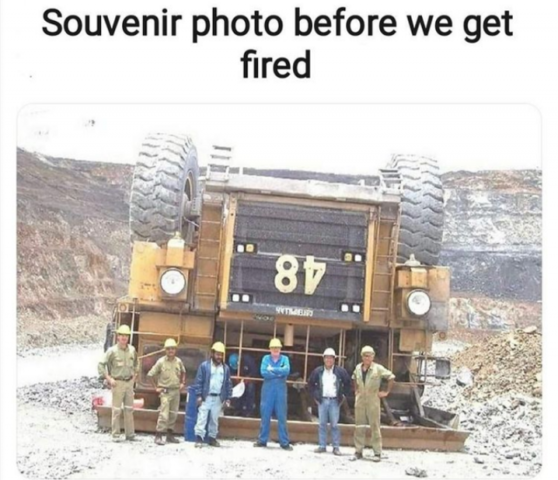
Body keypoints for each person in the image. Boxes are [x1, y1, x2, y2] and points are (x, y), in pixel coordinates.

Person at [351, 345, 395, 462]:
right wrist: (356, 390)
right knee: (359, 426)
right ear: (362, 356)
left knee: (375, 426)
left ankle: (377, 452)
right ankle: (358, 451)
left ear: (373, 356)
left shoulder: (378, 369)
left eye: (369, 356)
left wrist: (386, 392)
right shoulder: (358, 368)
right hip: (360, 400)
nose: (367, 358)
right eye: (365, 355)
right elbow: (354, 378)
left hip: (373, 400)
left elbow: (391, 377)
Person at [97, 324, 138, 442]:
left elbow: (137, 364)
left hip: (129, 383)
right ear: (118, 337)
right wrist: (109, 379)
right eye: (122, 335)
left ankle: (130, 435)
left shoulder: (132, 350)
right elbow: (101, 364)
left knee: (129, 409)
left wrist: (134, 377)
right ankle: (115, 435)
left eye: (126, 335)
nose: (124, 337)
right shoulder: (112, 351)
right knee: (116, 410)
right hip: (117, 383)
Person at [307, 348, 351, 455]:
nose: (329, 360)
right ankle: (322, 446)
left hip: (334, 401)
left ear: (334, 359)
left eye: (331, 358)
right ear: (323, 359)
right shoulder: (318, 371)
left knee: (334, 425)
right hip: (322, 401)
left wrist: (343, 396)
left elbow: (348, 383)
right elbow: (310, 384)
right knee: (322, 424)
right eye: (327, 358)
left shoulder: (340, 372)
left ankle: (336, 447)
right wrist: (315, 396)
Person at [254, 338, 293, 450]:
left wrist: (272, 369)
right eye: (273, 348)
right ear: (270, 349)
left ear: (280, 349)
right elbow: (263, 372)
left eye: (277, 348)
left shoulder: (285, 359)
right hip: (268, 390)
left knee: (282, 416)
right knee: (265, 415)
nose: (275, 349)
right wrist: (279, 373)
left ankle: (284, 442)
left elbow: (286, 370)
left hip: (281, 390)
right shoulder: (265, 358)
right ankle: (262, 440)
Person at [193, 342, 233, 447]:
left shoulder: (225, 368)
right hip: (206, 397)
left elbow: (228, 384)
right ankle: (199, 438)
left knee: (214, 419)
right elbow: (199, 381)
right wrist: (199, 395)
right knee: (202, 417)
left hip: (218, 397)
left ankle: (212, 438)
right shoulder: (204, 366)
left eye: (221, 354)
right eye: (217, 354)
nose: (219, 357)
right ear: (212, 354)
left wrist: (228, 398)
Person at [147, 338, 186, 445]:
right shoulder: (161, 362)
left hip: (176, 392)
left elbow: (183, 371)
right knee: (164, 414)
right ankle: (158, 436)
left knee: (173, 414)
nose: (170, 351)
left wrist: (182, 383)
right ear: (165, 350)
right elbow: (150, 375)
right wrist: (156, 387)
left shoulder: (178, 361)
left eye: (172, 348)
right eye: (168, 349)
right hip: (165, 392)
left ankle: (170, 435)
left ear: (175, 350)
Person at [228, 352, 258, 417]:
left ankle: (249, 410)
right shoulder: (231, 364)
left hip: (249, 381)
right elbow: (231, 374)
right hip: (239, 382)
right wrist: (235, 378)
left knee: (250, 388)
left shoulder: (248, 360)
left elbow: (255, 372)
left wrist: (249, 378)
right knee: (234, 389)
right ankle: (237, 408)